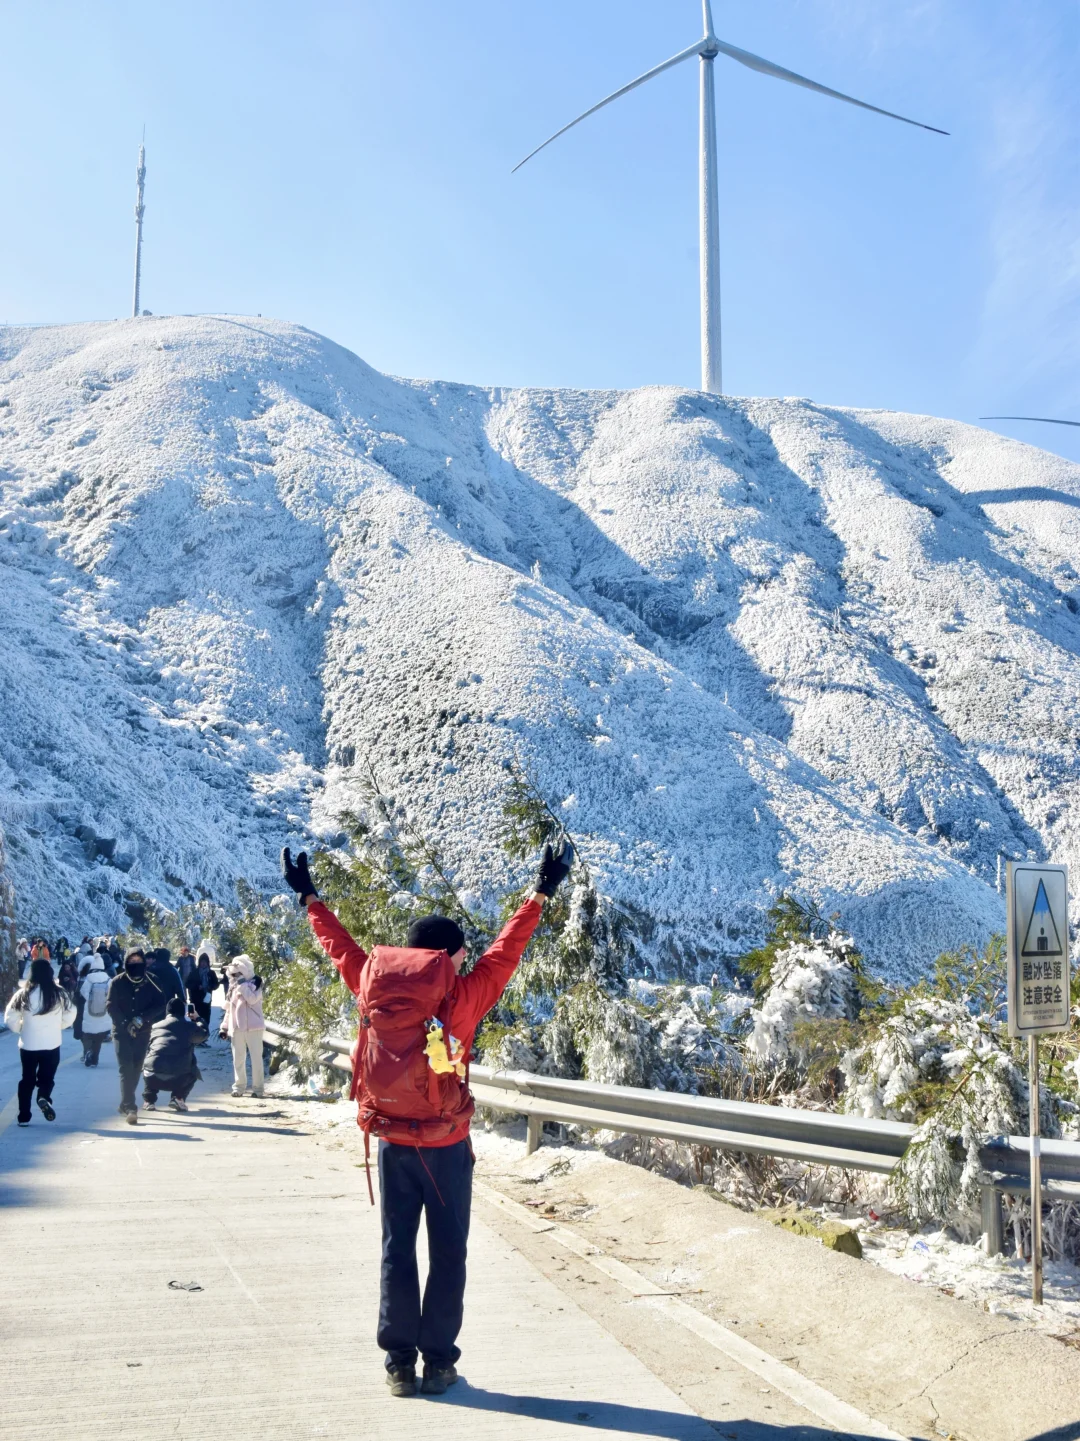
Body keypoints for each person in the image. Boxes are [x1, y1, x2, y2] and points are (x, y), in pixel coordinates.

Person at [280, 837, 573, 1398]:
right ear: (445, 958)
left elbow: (338, 948)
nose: (465, 959)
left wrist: (310, 897)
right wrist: (542, 889)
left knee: (397, 1248)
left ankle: (397, 1364)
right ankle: (438, 1363)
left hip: (391, 1138)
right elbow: (508, 950)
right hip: (445, 1143)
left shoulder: (372, 984)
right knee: (447, 1251)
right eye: (459, 954)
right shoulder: (463, 997)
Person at [4, 958, 76, 1126]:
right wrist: (60, 1026)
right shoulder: (59, 993)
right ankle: (43, 1096)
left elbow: (10, 1016)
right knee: (47, 1077)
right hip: (51, 1044)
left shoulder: (23, 993)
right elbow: (71, 1013)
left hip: (28, 1044)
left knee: (26, 1079)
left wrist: (19, 1028)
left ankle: (23, 1116)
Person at [106, 949, 167, 1124]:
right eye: (131, 961)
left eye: (138, 960)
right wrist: (126, 1023)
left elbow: (160, 1004)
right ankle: (131, 1107)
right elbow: (111, 1006)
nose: (135, 964)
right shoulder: (117, 982)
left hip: (143, 1031)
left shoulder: (152, 981)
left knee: (136, 1067)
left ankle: (125, 1102)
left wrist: (142, 1019)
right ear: (126, 962)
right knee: (125, 1067)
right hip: (121, 1031)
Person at [142, 998, 207, 1113]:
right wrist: (197, 1019)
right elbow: (204, 1034)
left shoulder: (155, 1026)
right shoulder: (189, 1027)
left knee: (154, 1058)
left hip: (151, 1076)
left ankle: (149, 1100)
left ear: (167, 1012)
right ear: (183, 1011)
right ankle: (178, 1098)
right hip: (178, 1078)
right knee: (193, 1069)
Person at [221, 956, 265, 1097]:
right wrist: (224, 1027)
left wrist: (242, 985)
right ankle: (239, 1087)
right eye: (232, 975)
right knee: (238, 1059)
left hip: (254, 1028)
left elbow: (252, 999)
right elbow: (229, 1010)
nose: (234, 977)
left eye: (237, 974)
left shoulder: (256, 984)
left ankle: (258, 1089)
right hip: (237, 1028)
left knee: (256, 1059)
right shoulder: (233, 988)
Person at [78, 953, 113, 1066]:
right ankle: (94, 1059)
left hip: (89, 1011)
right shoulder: (108, 979)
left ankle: (87, 1051)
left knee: (87, 1034)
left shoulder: (89, 979)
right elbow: (112, 994)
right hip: (103, 1012)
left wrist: (90, 1000)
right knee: (99, 1037)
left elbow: (83, 992)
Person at [188, 951, 220, 1030]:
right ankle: (195, 1037)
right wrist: (197, 987)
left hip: (206, 1000)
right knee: (194, 1018)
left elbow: (216, 984)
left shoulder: (211, 973)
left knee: (205, 1018)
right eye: (202, 962)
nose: (203, 964)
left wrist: (209, 987)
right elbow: (187, 983)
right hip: (195, 999)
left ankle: (204, 1035)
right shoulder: (194, 972)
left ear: (208, 963)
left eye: (205, 962)